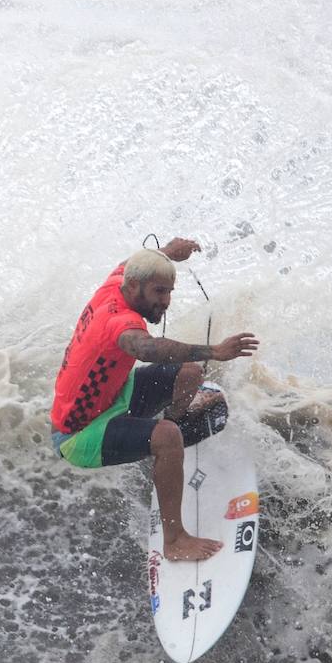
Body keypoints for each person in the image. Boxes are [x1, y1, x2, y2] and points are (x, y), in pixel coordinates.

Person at [51, 237, 259, 561]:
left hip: (112, 398)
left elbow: (140, 260)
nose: (166, 301)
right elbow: (147, 349)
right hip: (79, 434)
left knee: (189, 374)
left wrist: (170, 253)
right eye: (159, 293)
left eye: (169, 291)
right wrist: (215, 352)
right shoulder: (120, 323)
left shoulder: (119, 281)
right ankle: (174, 541)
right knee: (166, 436)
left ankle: (168, 449)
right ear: (134, 287)